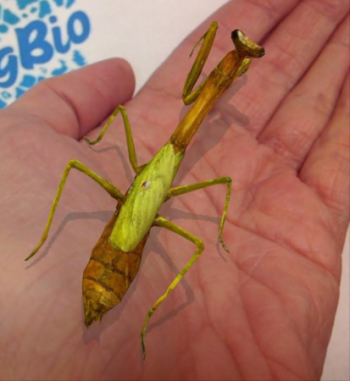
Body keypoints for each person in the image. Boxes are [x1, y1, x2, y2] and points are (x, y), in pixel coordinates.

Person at [0, 1, 348, 379]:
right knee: (196, 234)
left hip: (115, 255)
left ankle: (148, 317)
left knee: (79, 162)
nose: (242, 53)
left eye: (247, 55)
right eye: (240, 50)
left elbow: (193, 102)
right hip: (107, 269)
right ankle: (146, 316)